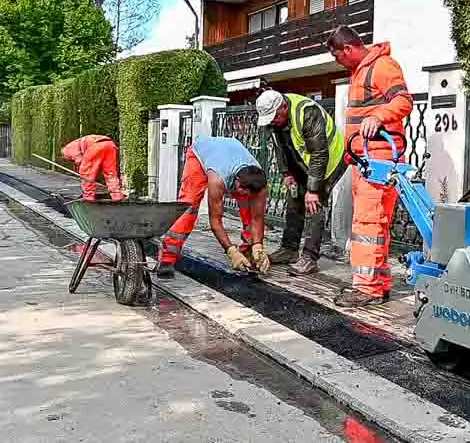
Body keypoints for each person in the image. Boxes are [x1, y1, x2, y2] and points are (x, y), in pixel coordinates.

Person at [325, 25, 414, 307]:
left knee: (368, 224)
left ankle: (367, 289)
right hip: (366, 160)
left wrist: (379, 116)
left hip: (377, 160)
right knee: (373, 226)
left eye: (339, 57)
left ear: (348, 49)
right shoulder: (361, 71)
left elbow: (403, 101)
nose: (339, 63)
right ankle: (378, 283)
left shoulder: (382, 66)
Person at [255, 90, 347, 275]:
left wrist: (313, 190)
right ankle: (289, 249)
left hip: (329, 161)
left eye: (275, 116)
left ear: (284, 107)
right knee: (294, 198)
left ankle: (310, 257)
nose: (273, 121)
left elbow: (320, 154)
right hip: (303, 162)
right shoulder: (277, 122)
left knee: (314, 205)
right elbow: (281, 147)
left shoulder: (307, 112)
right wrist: (287, 173)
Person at [156, 135, 269, 279]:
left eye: (248, 194)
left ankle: (249, 254)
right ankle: (167, 258)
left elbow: (257, 219)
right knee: (188, 207)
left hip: (229, 152)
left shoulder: (259, 184)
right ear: (237, 182)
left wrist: (258, 246)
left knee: (249, 210)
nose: (243, 196)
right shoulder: (217, 179)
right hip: (200, 153)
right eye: (242, 192)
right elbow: (215, 222)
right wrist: (230, 251)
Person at [61, 134, 125, 202]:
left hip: (96, 146)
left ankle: (88, 197)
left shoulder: (66, 150)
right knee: (110, 173)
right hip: (110, 144)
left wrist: (82, 172)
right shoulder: (76, 143)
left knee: (86, 173)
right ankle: (117, 195)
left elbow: (79, 160)